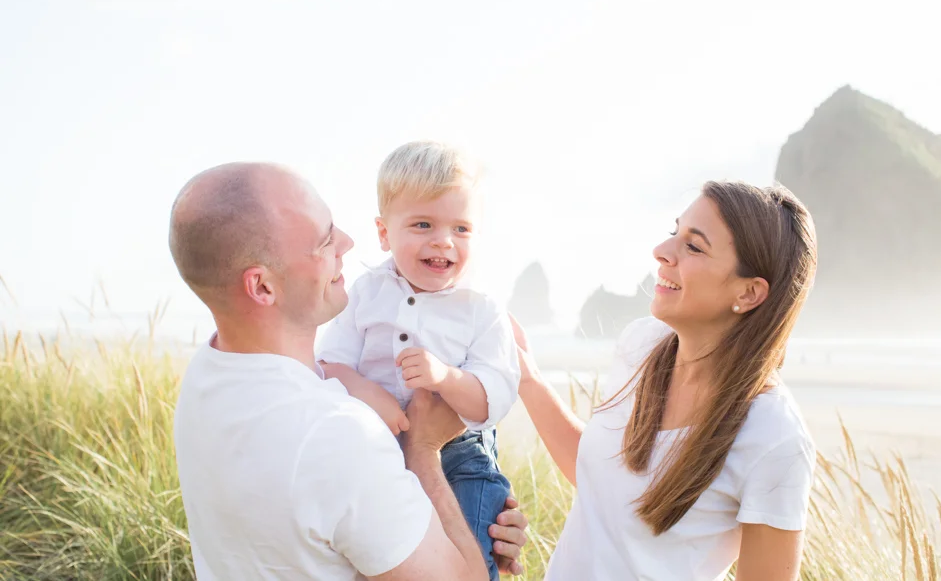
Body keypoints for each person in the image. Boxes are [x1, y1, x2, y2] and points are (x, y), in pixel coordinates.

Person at [168, 162, 527, 581]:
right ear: (263, 286)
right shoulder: (338, 435)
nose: (348, 242)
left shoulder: (209, 371)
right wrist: (424, 452)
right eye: (324, 241)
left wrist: (464, 527)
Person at [512, 180, 818, 580]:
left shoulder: (774, 435)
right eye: (676, 232)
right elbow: (603, 482)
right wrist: (528, 379)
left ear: (749, 293)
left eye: (694, 246)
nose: (661, 251)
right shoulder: (641, 345)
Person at [316, 141, 519, 581]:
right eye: (423, 224)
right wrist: (368, 392)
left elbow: (495, 399)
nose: (443, 241)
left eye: (461, 229)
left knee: (470, 555)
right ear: (384, 233)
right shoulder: (366, 293)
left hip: (460, 455)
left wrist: (447, 378)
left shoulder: (481, 306)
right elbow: (329, 364)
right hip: (380, 444)